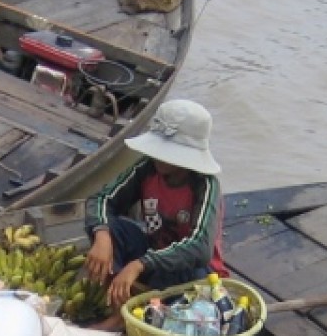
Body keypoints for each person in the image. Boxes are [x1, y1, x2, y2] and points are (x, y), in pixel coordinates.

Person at [81, 98, 226, 315]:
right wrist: (102, 234)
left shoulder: (204, 185)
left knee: (182, 266)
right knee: (114, 229)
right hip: (153, 255)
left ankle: (130, 315)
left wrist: (140, 264)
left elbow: (200, 247)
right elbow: (102, 200)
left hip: (191, 274)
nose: (158, 157)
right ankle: (114, 292)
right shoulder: (147, 169)